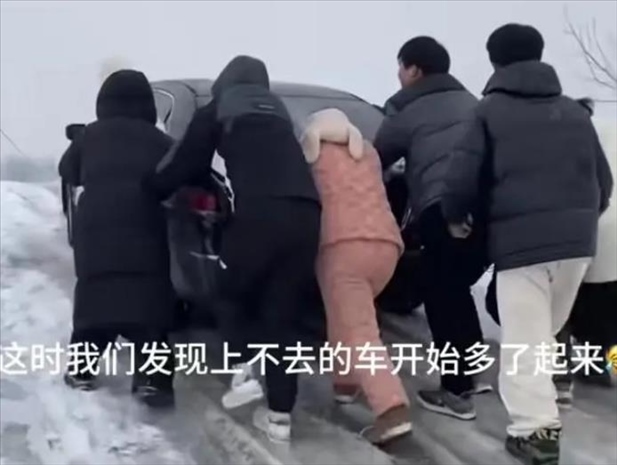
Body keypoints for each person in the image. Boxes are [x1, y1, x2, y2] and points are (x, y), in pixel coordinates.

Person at [441, 24, 613, 465]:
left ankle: (535, 433)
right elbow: (604, 182)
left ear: (494, 60)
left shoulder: (488, 111)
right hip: (577, 244)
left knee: (525, 342)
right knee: (543, 334)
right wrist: (577, 223)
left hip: (522, 247)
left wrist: (456, 218)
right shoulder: (574, 112)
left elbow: (461, 177)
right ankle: (547, 401)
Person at [145, 55, 321, 443]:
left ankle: (245, 371)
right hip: (308, 217)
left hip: (260, 217)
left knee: (227, 294)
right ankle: (279, 416)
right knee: (282, 315)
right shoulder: (281, 115)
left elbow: (186, 163)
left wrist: (152, 188)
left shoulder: (220, 109)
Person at [373, 36, 491, 421]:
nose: (398, 74)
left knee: (441, 293)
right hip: (486, 209)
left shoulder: (407, 108)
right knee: (457, 289)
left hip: (443, 208)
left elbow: (375, 157)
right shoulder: (473, 103)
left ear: (414, 70)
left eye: (401, 66)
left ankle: (455, 391)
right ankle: (471, 374)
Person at [59, 68, 177, 408]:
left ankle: (81, 371)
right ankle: (153, 382)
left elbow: (68, 171)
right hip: (145, 225)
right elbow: (177, 175)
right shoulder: (160, 141)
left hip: (94, 229)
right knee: (149, 307)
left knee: (94, 300)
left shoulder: (89, 136)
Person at [299, 108, 412, 445]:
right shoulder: (367, 153)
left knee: (360, 330)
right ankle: (346, 382)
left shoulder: (311, 156)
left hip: (343, 247)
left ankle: (391, 410)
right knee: (346, 318)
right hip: (386, 246)